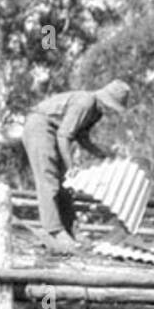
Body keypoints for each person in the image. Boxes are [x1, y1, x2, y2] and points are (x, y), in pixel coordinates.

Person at [22, 80, 130, 250]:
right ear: (105, 99)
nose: (109, 110)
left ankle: (71, 230)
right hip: (39, 127)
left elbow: (81, 137)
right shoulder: (86, 102)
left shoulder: (96, 112)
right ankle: (54, 231)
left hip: (55, 131)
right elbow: (64, 135)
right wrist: (71, 166)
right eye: (110, 106)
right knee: (49, 179)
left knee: (65, 185)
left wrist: (102, 154)